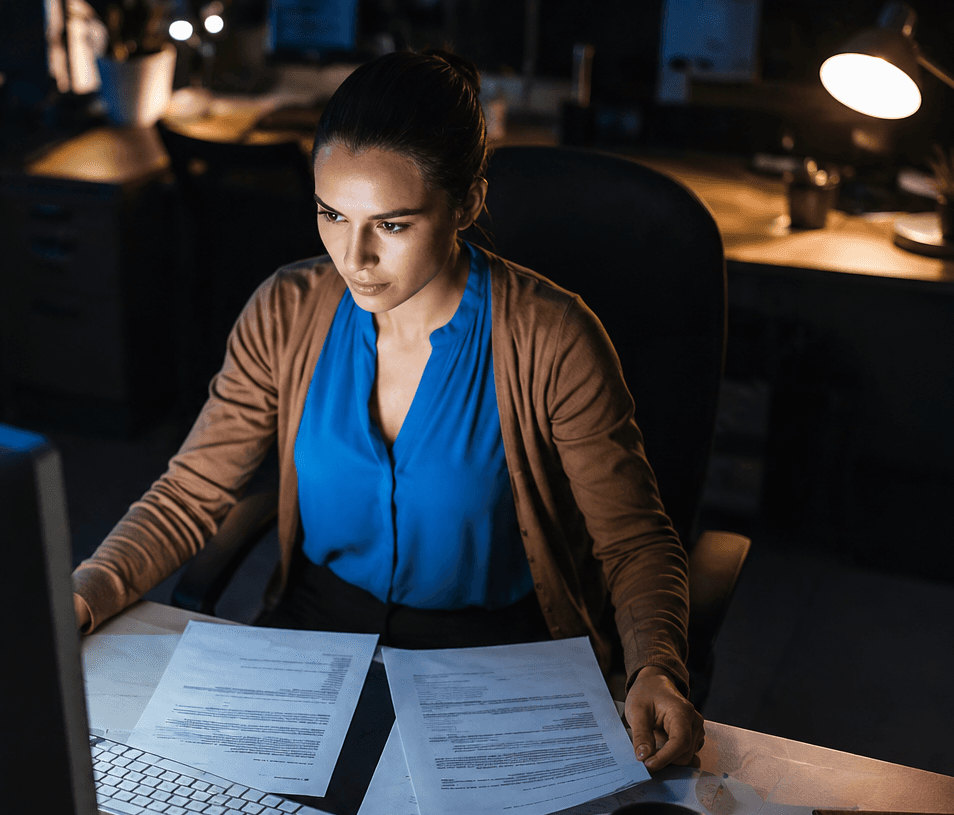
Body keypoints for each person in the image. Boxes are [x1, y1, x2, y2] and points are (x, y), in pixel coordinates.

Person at [72, 50, 703, 770]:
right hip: (319, 634)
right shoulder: (287, 309)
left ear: (465, 204)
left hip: (490, 653)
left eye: (392, 225)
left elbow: (633, 542)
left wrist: (656, 666)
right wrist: (85, 592)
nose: (354, 257)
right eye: (332, 215)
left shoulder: (552, 337)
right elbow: (191, 492)